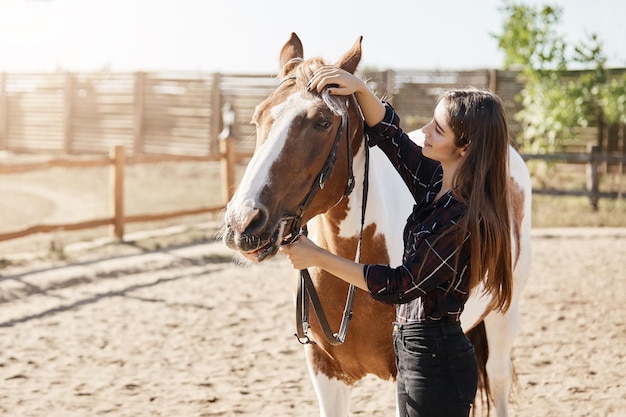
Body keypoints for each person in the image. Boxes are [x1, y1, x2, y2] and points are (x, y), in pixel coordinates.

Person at [279, 65, 514, 417]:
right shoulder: (436, 183)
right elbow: (391, 136)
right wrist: (358, 87)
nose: (425, 132)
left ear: (463, 148)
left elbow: (400, 285)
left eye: (438, 129)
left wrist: (318, 256)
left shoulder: (460, 219)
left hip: (437, 361)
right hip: (415, 351)